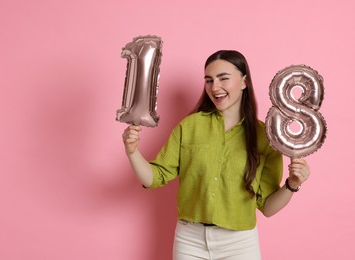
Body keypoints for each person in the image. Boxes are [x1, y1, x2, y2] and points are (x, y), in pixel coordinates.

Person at [122, 50, 310, 260]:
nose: (215, 87)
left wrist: (292, 184)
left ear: (244, 82)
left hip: (239, 244)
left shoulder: (265, 137)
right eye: (209, 80)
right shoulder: (190, 126)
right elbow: (155, 177)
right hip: (189, 240)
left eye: (224, 78)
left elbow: (267, 207)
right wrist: (132, 152)